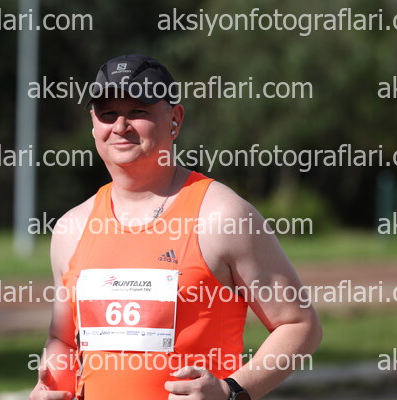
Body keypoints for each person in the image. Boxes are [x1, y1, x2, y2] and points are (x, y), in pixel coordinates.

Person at [29, 54, 322, 400]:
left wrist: (231, 391)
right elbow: (63, 339)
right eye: (107, 114)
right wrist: (50, 388)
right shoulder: (71, 228)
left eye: (138, 111)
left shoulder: (221, 215)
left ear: (175, 119)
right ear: (93, 124)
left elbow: (299, 325)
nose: (120, 126)